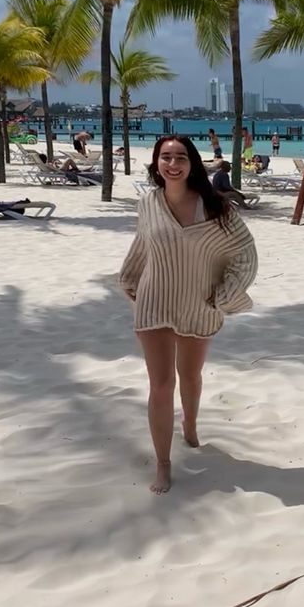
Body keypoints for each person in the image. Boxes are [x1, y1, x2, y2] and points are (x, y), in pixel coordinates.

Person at [120, 135, 258, 495]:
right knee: (161, 385)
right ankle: (163, 464)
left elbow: (245, 253)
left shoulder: (215, 207)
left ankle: (191, 427)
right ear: (156, 164)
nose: (173, 163)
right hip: (154, 302)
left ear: (193, 163)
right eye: (165, 157)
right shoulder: (148, 202)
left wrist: (224, 292)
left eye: (180, 157)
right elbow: (142, 244)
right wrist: (130, 277)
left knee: (191, 375)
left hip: (199, 303)